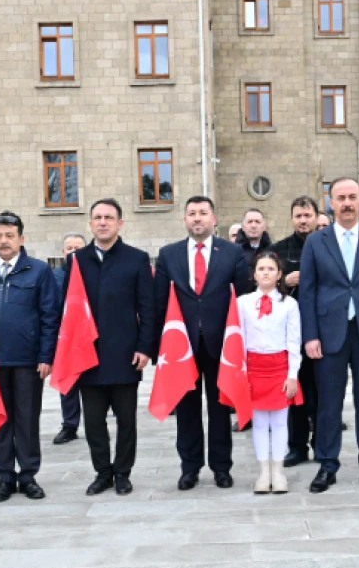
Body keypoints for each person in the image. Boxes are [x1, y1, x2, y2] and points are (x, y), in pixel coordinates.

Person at [298, 177, 359, 493]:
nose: (347, 203)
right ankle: (327, 465)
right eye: (340, 197)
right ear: (331, 202)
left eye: (352, 196)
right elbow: (308, 291)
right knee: (329, 402)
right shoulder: (317, 241)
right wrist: (310, 335)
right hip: (328, 334)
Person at [154, 196, 251, 490]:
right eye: (192, 213)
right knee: (186, 411)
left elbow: (243, 297)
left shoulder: (233, 253)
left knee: (220, 408)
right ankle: (190, 467)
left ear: (213, 218)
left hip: (221, 345)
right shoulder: (168, 254)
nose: (197, 218)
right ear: (185, 219)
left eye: (203, 213)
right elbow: (159, 302)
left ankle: (222, 467)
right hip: (182, 347)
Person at [0, 212, 61, 502]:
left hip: (27, 360)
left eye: (9, 235)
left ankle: (29, 475)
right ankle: (5, 476)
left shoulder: (39, 271)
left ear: (21, 238)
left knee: (27, 419)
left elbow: (50, 316)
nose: (3, 241)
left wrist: (46, 355)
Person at [73, 199, 155, 496]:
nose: (103, 222)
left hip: (125, 354)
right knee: (93, 422)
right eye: (98, 217)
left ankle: (122, 472)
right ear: (91, 223)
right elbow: (67, 310)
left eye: (109, 217)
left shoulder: (136, 259)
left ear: (121, 223)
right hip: (88, 355)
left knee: (126, 421)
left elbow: (148, 308)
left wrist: (145, 347)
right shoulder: (77, 261)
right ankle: (102, 472)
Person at [240, 252, 301, 493]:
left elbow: (294, 341)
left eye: (270, 269)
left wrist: (293, 374)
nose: (265, 272)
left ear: (279, 274)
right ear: (254, 274)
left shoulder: (289, 304)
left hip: (279, 368)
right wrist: (241, 374)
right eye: (261, 268)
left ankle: (278, 470)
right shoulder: (242, 303)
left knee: (279, 422)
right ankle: (263, 472)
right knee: (259, 422)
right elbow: (239, 339)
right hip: (254, 367)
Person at [271, 196, 321, 467]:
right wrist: (284, 283)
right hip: (290, 335)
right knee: (294, 390)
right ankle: (297, 446)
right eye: (299, 216)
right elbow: (261, 284)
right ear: (292, 218)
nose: (303, 220)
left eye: (308, 215)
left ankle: (322, 444)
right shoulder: (279, 250)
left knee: (323, 391)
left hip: (323, 331)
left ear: (316, 217)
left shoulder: (329, 244)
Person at [53, 232, 88, 445]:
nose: (73, 252)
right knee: (68, 384)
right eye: (69, 248)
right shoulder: (53, 276)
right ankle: (69, 425)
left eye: (78, 248)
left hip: (89, 337)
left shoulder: (93, 272)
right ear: (62, 252)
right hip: (64, 338)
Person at [237, 208, 272, 275]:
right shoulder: (234, 252)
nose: (253, 226)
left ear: (264, 227)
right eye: (250, 222)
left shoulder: (272, 250)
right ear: (243, 227)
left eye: (257, 222)